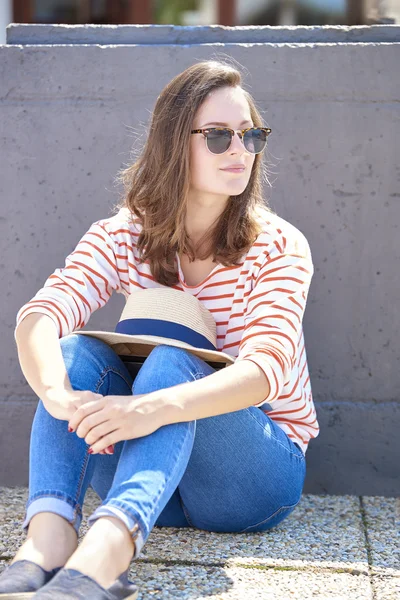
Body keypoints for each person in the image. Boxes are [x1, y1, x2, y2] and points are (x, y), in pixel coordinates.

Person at [1, 58, 320, 599]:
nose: (240, 150)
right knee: (76, 352)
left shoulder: (278, 245)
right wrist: (58, 396)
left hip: (251, 475)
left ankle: (106, 556)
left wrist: (150, 407)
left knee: (173, 362)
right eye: (219, 136)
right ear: (174, 143)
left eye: (251, 135)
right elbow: (41, 314)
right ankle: (48, 540)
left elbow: (266, 371)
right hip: (146, 473)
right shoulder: (124, 233)